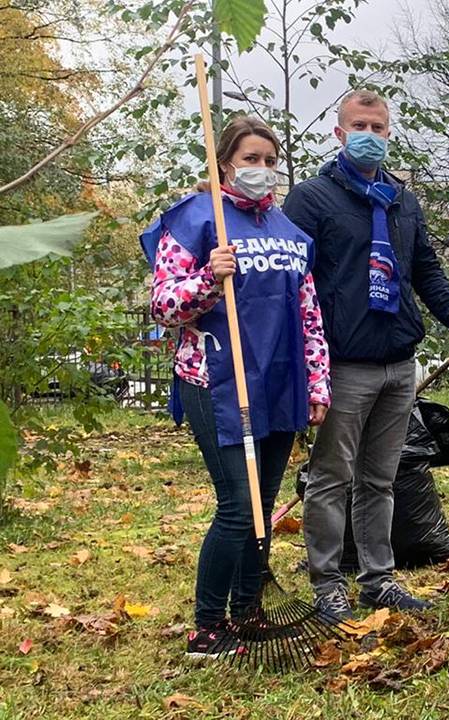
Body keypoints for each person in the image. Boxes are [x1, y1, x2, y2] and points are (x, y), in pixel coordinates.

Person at [282, 90, 449, 620]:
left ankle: (379, 579)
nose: (370, 135)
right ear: (339, 132)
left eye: (379, 127)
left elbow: (426, 273)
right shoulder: (311, 200)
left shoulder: (402, 201)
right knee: (331, 478)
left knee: (381, 478)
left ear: (389, 133)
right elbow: (291, 282)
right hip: (344, 364)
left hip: (399, 362)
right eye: (360, 125)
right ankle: (327, 585)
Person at [139, 115, 330, 659]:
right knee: (236, 503)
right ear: (224, 161)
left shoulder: (290, 234)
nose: (262, 171)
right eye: (250, 160)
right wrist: (207, 278)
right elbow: (163, 306)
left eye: (270, 162)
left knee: (262, 505)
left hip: (277, 380)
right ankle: (206, 627)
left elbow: (308, 313)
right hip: (215, 379)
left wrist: (318, 384)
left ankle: (247, 611)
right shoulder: (195, 220)